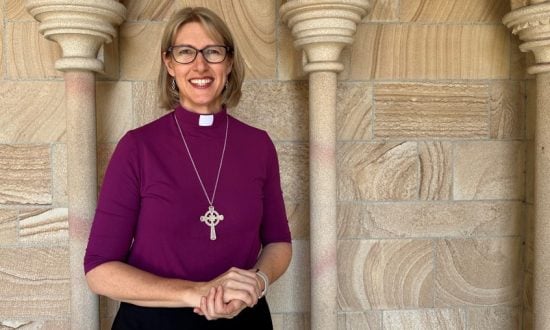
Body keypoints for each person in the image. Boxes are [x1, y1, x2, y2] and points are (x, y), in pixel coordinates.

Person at [83, 6, 292, 329]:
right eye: (185, 52)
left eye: (213, 51)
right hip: (153, 322)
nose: (200, 65)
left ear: (230, 61)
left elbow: (279, 242)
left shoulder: (258, 145)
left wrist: (257, 282)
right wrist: (197, 293)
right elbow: (100, 271)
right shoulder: (138, 147)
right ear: (169, 63)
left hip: (243, 320)